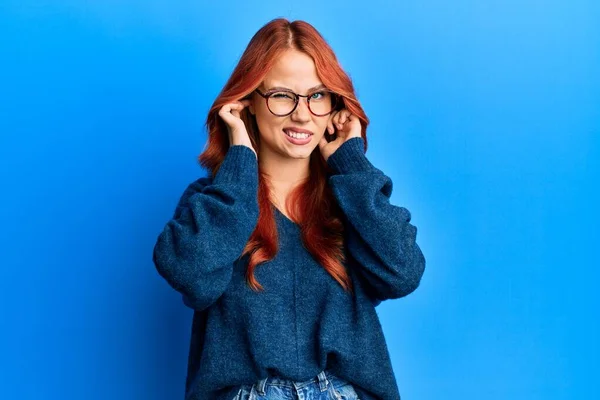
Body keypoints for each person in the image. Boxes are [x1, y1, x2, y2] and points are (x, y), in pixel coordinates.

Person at [152, 17, 426, 400]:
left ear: (334, 105)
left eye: (317, 95)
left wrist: (351, 164)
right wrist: (239, 162)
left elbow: (402, 273)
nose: (302, 113)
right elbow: (189, 274)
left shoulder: (351, 199)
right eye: (282, 95)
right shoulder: (216, 200)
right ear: (246, 103)